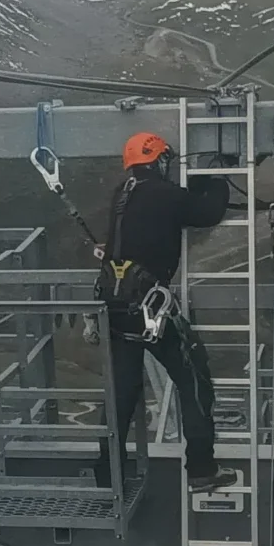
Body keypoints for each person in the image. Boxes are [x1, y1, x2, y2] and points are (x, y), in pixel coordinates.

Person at [92, 131, 235, 494]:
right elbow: (207, 212)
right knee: (193, 375)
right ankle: (202, 467)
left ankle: (108, 474)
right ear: (159, 160)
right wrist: (219, 178)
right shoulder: (165, 194)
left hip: (117, 304)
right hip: (147, 305)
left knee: (122, 391)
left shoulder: (122, 193)